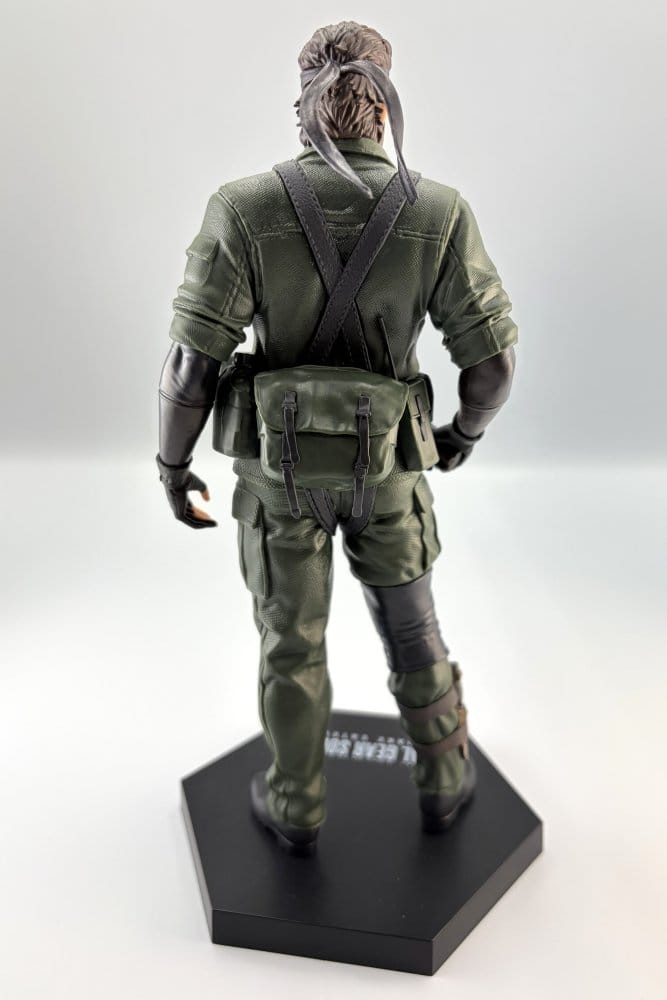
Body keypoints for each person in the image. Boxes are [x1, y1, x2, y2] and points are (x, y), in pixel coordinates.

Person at [156, 21, 517, 855]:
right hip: (391, 477)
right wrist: (461, 434)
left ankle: (296, 804)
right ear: (382, 104)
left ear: (305, 100)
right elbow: (493, 365)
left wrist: (172, 466)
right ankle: (444, 779)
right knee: (414, 631)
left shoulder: (243, 207)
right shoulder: (438, 211)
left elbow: (187, 369)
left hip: (277, 482)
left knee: (291, 645)